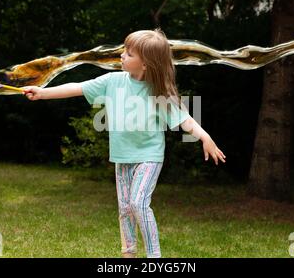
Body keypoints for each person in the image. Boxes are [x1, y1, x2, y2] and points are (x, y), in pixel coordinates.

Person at [22, 28, 226, 258]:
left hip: (149, 156)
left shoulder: (159, 91)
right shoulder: (112, 81)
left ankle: (154, 257)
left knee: (138, 203)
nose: (121, 55)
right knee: (125, 209)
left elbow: (185, 120)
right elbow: (77, 88)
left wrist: (205, 137)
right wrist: (42, 93)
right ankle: (128, 254)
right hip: (122, 157)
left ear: (146, 64)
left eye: (129, 54)